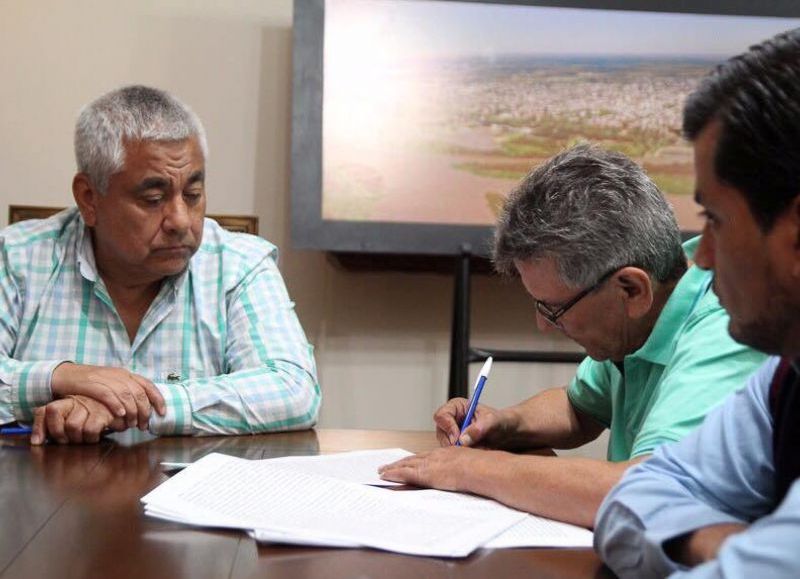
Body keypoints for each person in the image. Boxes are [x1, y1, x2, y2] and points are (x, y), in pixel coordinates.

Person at [379, 144, 766, 528]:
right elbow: (578, 408)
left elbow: (650, 494)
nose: (543, 325)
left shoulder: (730, 328)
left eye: (554, 308)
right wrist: (502, 423)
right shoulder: (649, 308)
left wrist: (473, 468)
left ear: (631, 289)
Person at [0, 85, 320, 444]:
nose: (181, 220)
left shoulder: (239, 265)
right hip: (42, 495)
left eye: (193, 195)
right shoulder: (17, 258)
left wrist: (137, 404)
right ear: (89, 198)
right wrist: (59, 378)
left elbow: (293, 389)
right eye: (153, 199)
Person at [595, 28, 800, 577]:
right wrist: (726, 547)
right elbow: (630, 499)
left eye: (714, 220)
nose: (702, 258)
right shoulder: (785, 379)